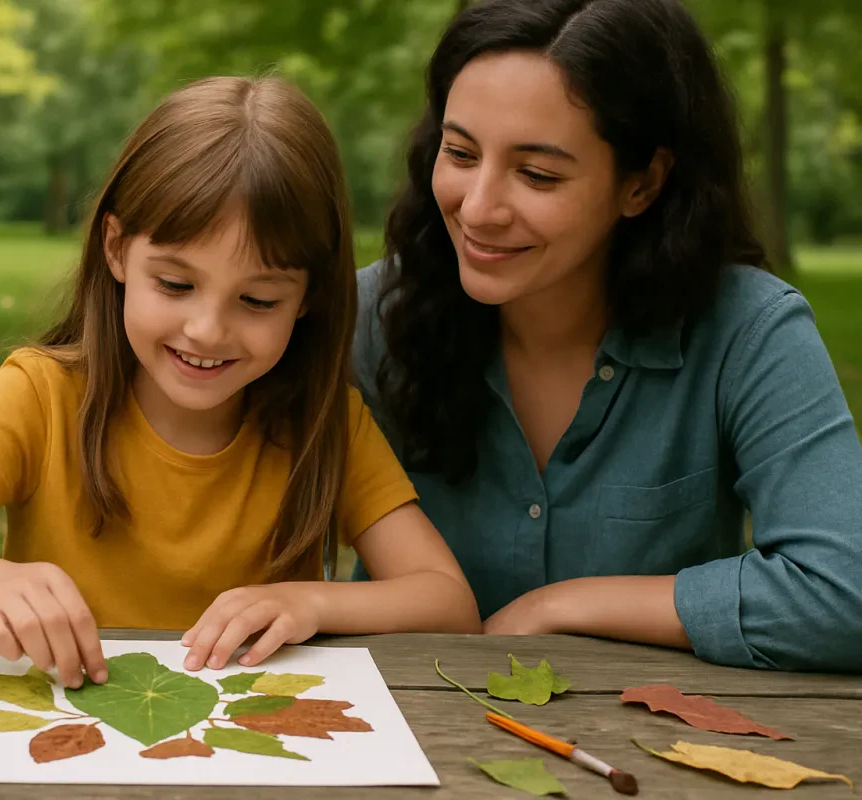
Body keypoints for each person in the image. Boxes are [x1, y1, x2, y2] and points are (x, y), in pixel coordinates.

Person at [0, 76, 481, 689]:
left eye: (257, 301)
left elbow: (448, 603)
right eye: (175, 284)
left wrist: (309, 601)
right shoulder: (39, 397)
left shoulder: (324, 422)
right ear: (116, 249)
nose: (206, 330)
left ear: (308, 297)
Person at [351, 0, 862, 671]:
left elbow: (844, 593)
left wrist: (557, 606)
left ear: (643, 183)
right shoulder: (369, 315)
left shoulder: (747, 330)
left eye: (537, 174)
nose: (478, 209)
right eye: (461, 152)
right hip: (398, 736)